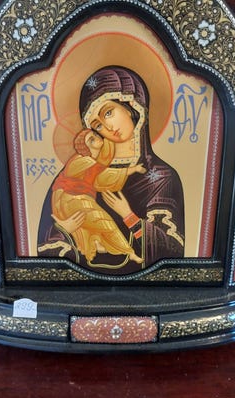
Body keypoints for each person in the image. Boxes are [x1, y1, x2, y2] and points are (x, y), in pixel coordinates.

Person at [37, 66, 185, 274]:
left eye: (108, 113)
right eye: (97, 125)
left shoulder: (160, 177)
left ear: (131, 105)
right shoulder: (76, 175)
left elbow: (172, 250)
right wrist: (65, 230)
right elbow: (47, 250)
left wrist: (129, 216)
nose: (107, 127)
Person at [51, 128, 145, 264]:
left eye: (95, 134)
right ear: (85, 147)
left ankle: (96, 241)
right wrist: (133, 169)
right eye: (91, 139)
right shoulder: (81, 161)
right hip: (72, 200)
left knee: (95, 225)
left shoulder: (92, 164)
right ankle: (130, 253)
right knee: (106, 223)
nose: (97, 137)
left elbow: (102, 178)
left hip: (82, 199)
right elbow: (105, 174)